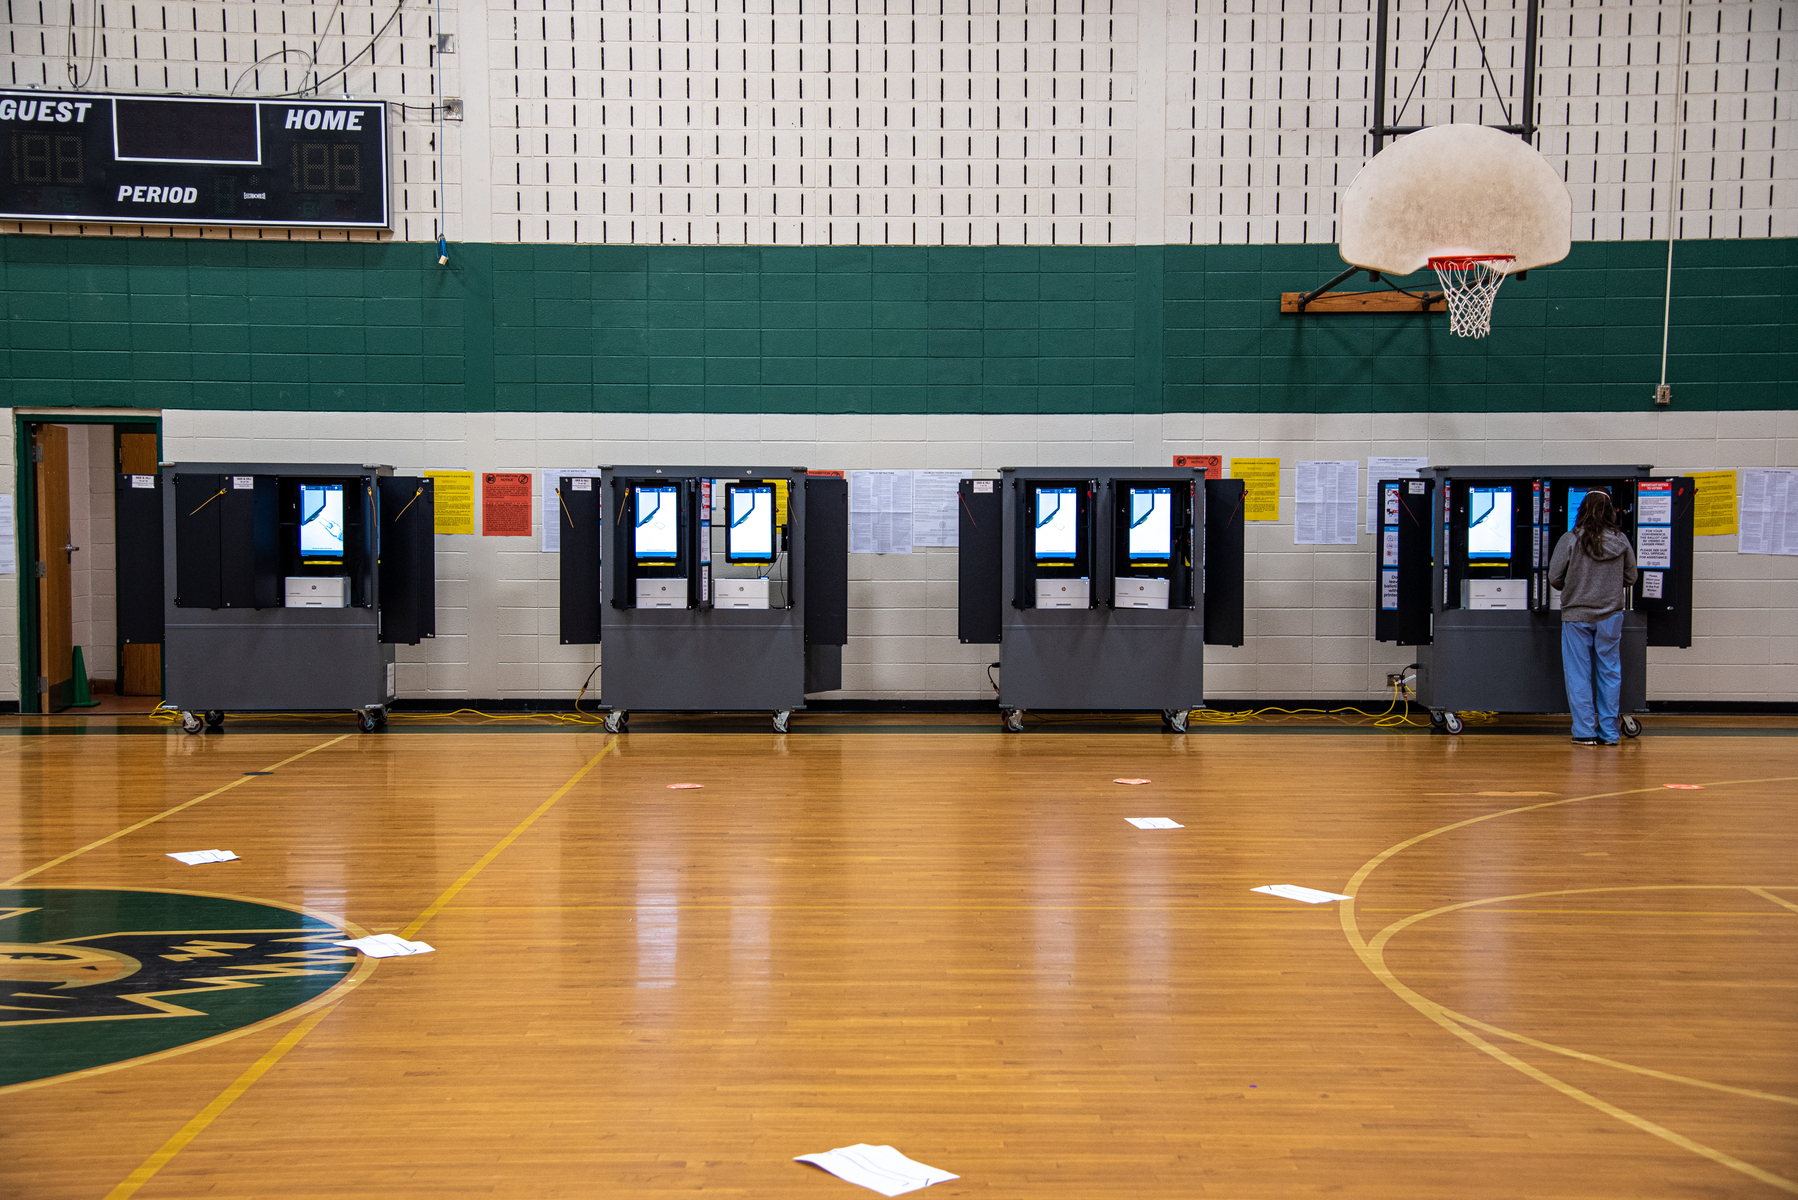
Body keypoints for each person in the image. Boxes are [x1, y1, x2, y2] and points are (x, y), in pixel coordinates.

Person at [1549, 491, 1638, 746]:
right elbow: (1631, 578)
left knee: (1578, 673)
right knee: (1610, 672)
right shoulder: (1621, 541)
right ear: (1610, 510)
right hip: (1610, 615)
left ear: (1582, 509)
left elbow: (1554, 576)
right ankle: (1609, 733)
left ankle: (1585, 732)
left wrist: (1576, 585)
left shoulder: (1570, 539)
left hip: (1576, 615)